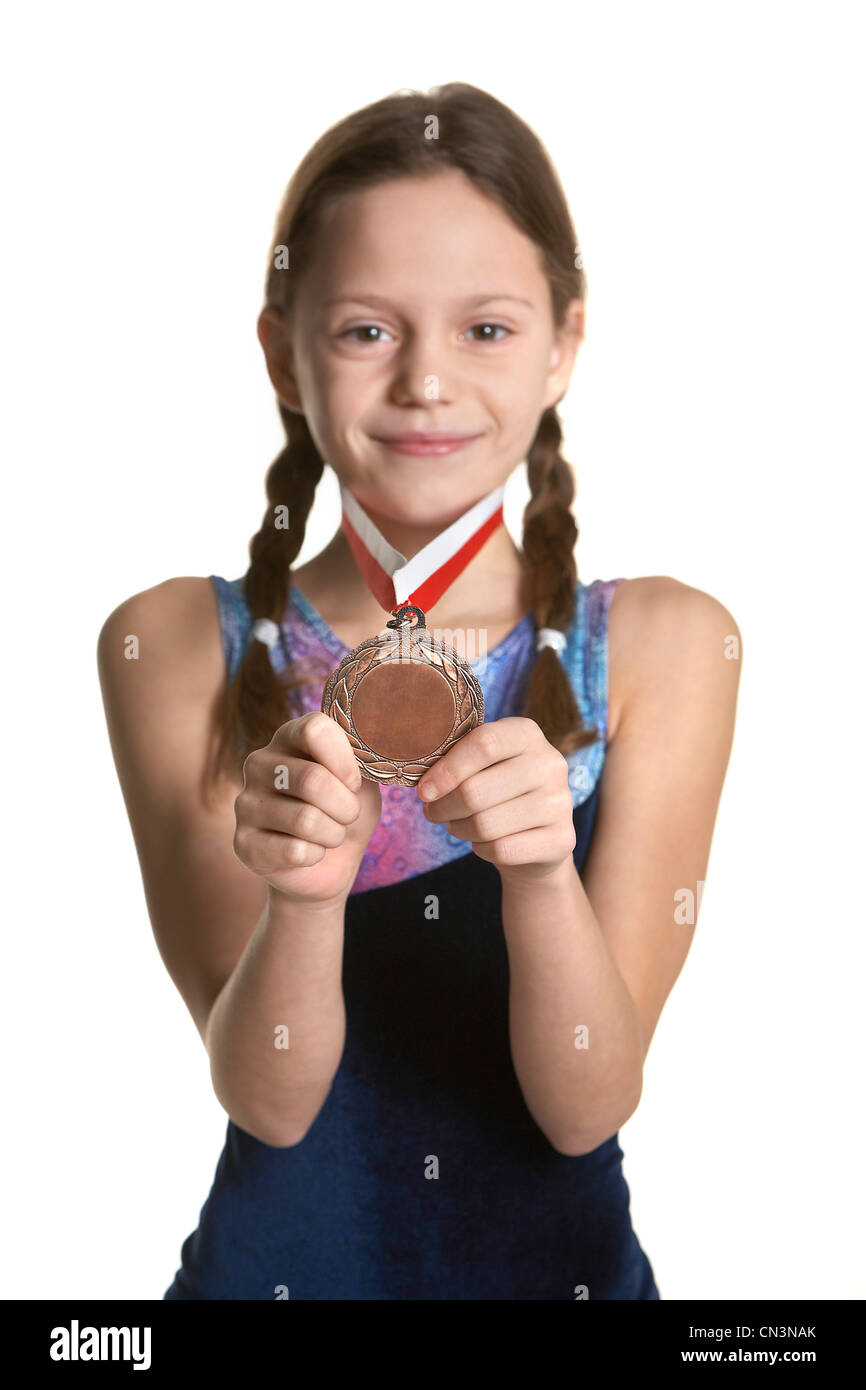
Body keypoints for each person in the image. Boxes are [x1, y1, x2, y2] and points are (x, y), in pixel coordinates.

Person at [97, 82, 741, 1300]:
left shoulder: (659, 643)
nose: (427, 382)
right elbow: (269, 1100)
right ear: (281, 353)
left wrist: (543, 874)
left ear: (564, 344)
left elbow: (585, 1104)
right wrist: (303, 899)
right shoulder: (180, 640)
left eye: (485, 329)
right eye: (364, 331)